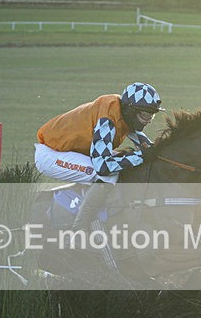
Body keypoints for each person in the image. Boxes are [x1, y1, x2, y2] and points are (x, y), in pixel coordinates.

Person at [34, 82, 164, 229]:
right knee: (109, 175)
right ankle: (80, 228)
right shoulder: (107, 120)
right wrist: (141, 156)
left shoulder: (121, 112)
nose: (148, 121)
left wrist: (155, 150)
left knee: (121, 162)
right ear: (130, 110)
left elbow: (146, 145)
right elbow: (103, 166)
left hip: (67, 150)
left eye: (151, 116)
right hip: (51, 154)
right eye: (145, 115)